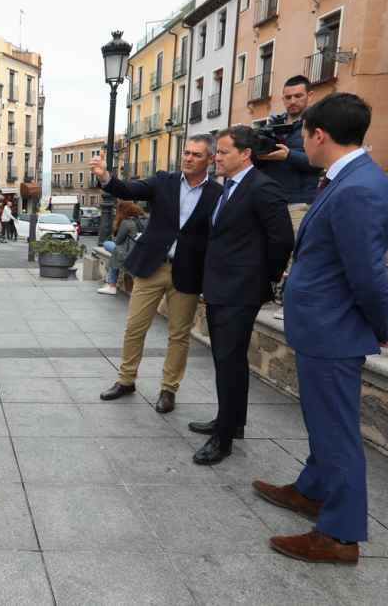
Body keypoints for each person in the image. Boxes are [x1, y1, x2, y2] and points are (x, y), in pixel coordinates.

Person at [253, 93, 388, 565]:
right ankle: (312, 491)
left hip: (332, 330)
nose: (301, 141)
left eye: (303, 133)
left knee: (336, 434)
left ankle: (340, 536)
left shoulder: (359, 188)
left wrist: (384, 322)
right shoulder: (352, 179)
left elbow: (366, 271)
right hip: (326, 325)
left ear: (318, 135)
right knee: (324, 426)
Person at [89, 135, 223, 414]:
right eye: (186, 152)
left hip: (187, 271)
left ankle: (168, 390)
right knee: (135, 327)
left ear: (211, 160)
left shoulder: (218, 194)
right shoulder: (164, 180)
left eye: (196, 155)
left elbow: (217, 238)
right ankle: (126, 381)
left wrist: (211, 280)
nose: (188, 158)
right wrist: (105, 176)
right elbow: (127, 187)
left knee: (179, 335)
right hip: (153, 265)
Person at [190, 125, 294, 465]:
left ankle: (223, 439)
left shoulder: (264, 188)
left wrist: (263, 283)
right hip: (222, 287)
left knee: (228, 361)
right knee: (227, 360)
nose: (215, 157)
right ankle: (231, 423)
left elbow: (281, 241)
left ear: (245, 154)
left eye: (222, 152)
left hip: (241, 291)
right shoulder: (228, 188)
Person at [254, 75, 325, 320]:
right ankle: (261, 295)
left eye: (298, 96)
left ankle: (291, 304)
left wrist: (286, 156)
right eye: (288, 97)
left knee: (298, 256)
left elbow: (317, 162)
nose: (292, 101)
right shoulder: (273, 124)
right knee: (265, 250)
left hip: (297, 201)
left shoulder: (317, 124)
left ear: (309, 96)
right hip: (269, 200)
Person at [98, 201, 146, 295]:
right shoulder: (144, 219)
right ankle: (110, 284)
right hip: (141, 251)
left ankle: (112, 286)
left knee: (108, 244)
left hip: (129, 253)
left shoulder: (126, 222)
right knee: (116, 251)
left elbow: (118, 242)